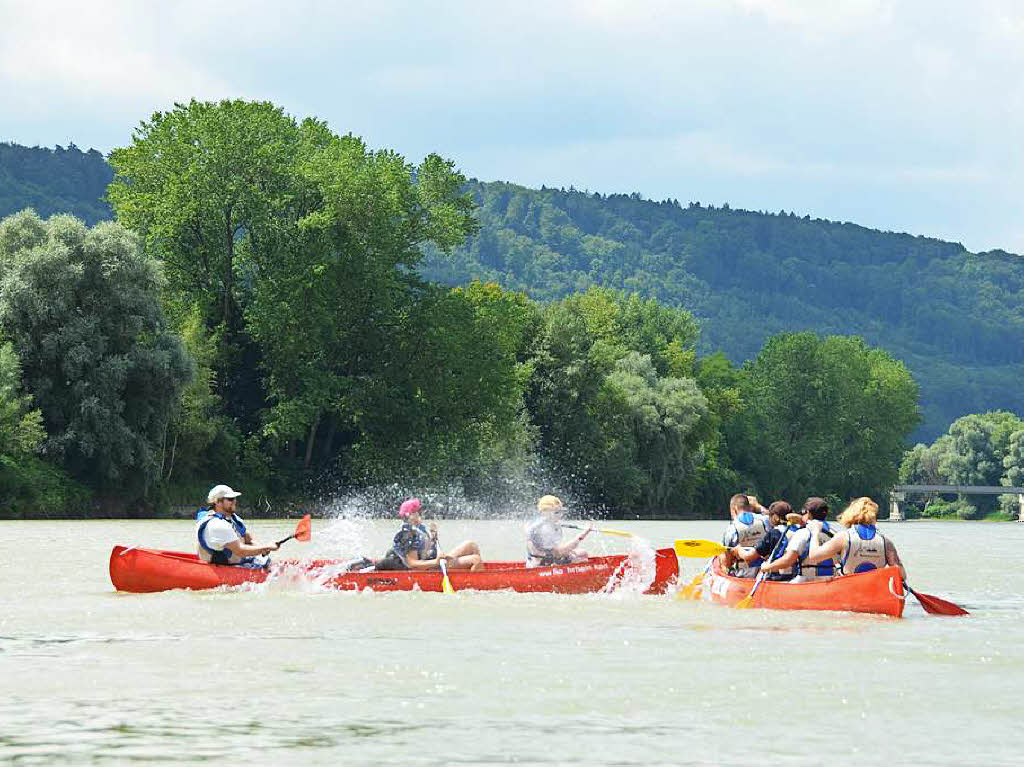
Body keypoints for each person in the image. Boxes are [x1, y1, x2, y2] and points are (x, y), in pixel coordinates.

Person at [803, 497, 906, 580]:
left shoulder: (843, 537)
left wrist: (815, 532)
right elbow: (901, 575)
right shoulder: (886, 542)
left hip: (849, 588)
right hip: (875, 589)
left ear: (850, 514)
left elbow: (814, 556)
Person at [376, 498, 483, 572]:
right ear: (409, 516)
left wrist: (433, 537)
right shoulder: (408, 534)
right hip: (428, 567)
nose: (419, 513)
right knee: (475, 560)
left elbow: (424, 551)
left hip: (432, 562)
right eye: (415, 512)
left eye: (418, 511)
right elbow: (412, 564)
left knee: (471, 545)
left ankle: (477, 572)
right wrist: (435, 561)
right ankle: (472, 583)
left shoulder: (419, 529)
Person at [757, 497, 841, 583]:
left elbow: (788, 560)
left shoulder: (803, 533)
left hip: (807, 581)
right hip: (830, 580)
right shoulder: (834, 533)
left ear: (808, 513)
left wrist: (767, 567)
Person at [195, 484, 278, 567]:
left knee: (275, 564)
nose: (234, 501)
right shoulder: (216, 525)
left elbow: (248, 539)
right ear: (217, 502)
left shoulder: (233, 518)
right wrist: (265, 547)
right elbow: (240, 551)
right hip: (224, 567)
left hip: (240, 561)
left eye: (234, 498)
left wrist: (262, 548)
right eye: (230, 499)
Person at [727, 501, 803, 581]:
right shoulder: (800, 530)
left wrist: (739, 550)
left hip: (777, 578)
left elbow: (749, 556)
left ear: (775, 517)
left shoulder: (774, 533)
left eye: (770, 515)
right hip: (796, 577)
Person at [525, 495, 592, 567]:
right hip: (541, 565)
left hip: (542, 560)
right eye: (556, 512)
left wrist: (570, 554)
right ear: (545, 512)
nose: (560, 515)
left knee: (583, 553)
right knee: (583, 560)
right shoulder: (543, 529)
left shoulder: (543, 523)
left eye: (560, 512)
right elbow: (561, 552)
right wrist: (582, 535)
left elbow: (557, 551)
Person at [720, 493, 771, 577]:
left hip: (744, 573)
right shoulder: (765, 520)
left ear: (734, 509)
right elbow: (775, 516)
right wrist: (758, 506)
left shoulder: (731, 529)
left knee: (722, 555)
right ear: (750, 507)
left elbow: (727, 562)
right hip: (765, 571)